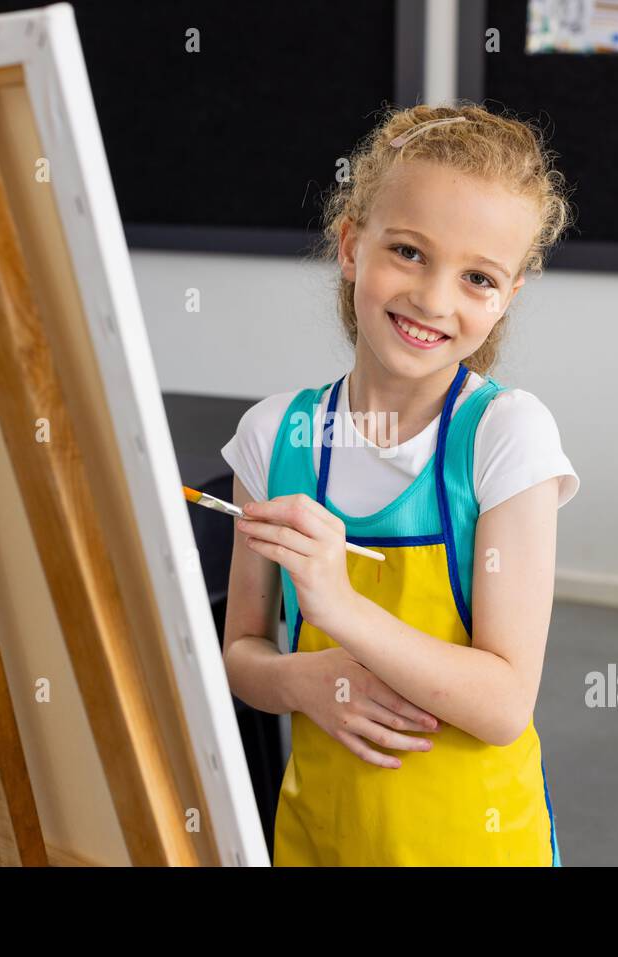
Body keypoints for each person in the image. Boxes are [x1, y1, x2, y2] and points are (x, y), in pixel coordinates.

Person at [220, 104, 580, 865]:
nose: (434, 299)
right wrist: (301, 681)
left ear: (507, 295)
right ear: (351, 245)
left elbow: (504, 704)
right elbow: (241, 654)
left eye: (478, 277)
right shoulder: (274, 437)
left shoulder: (505, 436)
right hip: (322, 837)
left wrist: (339, 606)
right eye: (410, 252)